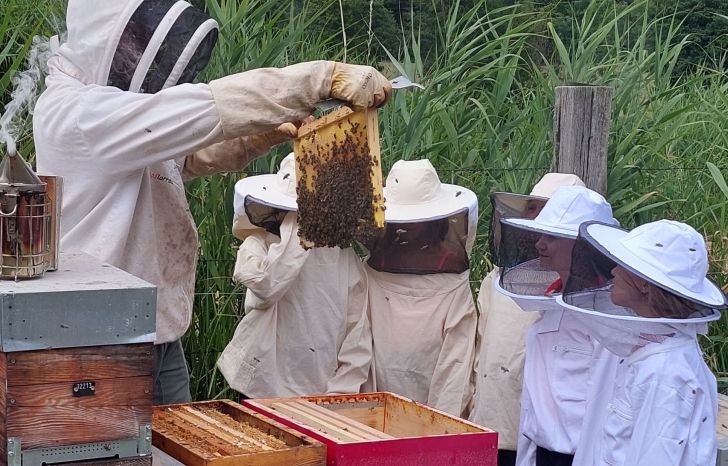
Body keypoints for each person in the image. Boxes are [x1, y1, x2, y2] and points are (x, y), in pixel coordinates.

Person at [32, 0, 392, 404]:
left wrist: (261, 135)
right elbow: (199, 106)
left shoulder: (116, 114)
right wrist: (318, 80)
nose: (143, 55)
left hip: (158, 330)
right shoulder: (75, 114)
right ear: (103, 37)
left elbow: (183, 157)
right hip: (97, 338)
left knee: (173, 448)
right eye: (135, 41)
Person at [558, 220, 728, 466]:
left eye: (624, 265)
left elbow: (656, 457)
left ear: (646, 284)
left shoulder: (664, 372)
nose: (613, 272)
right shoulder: (655, 354)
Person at [216, 153, 372, 398]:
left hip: (322, 391)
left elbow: (358, 336)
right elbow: (266, 287)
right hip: (262, 384)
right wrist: (298, 227)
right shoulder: (259, 245)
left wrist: (338, 395)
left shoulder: (345, 259)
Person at [494, 186, 621, 466]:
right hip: (544, 450)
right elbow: (536, 397)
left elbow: (606, 404)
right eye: (541, 234)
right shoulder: (553, 298)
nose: (540, 244)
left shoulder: (609, 317)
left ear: (584, 246)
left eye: (552, 236)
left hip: (580, 455)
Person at [470, 173, 585, 466]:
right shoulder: (497, 280)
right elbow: (479, 348)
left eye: (546, 210)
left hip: (544, 436)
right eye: (533, 208)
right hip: (487, 423)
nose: (537, 219)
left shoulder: (582, 298)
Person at [365, 159, 477, 417]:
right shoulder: (369, 274)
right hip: (375, 413)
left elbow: (455, 367)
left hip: (429, 416)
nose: (410, 227)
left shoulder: (453, 285)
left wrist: (439, 427)